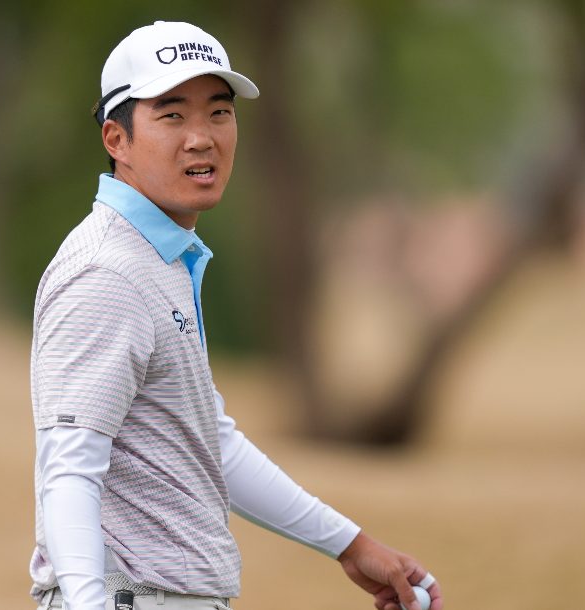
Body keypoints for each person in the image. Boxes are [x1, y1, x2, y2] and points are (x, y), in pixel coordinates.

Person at [29, 20, 444, 610]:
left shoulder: (159, 258)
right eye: (171, 115)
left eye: (219, 113)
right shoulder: (107, 272)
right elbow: (68, 471)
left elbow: (207, 440)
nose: (202, 137)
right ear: (116, 139)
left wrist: (350, 545)